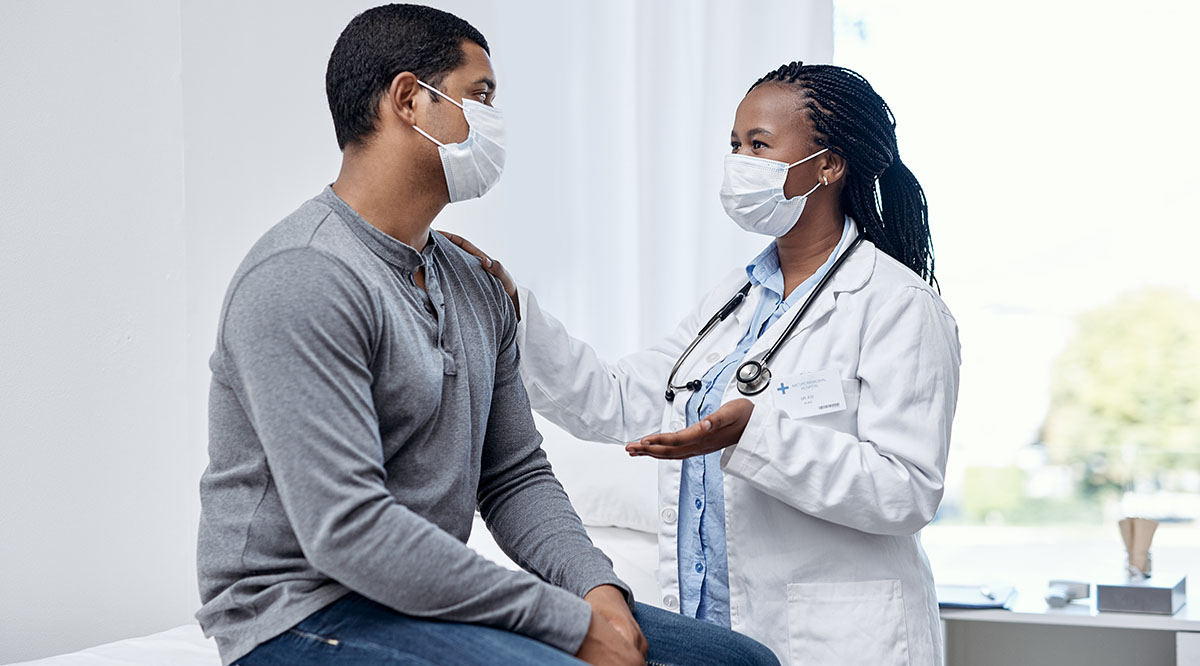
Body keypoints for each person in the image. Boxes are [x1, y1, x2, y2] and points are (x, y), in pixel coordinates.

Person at [194, 5, 779, 666]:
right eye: (481, 96)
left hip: (413, 600)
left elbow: (513, 474)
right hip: (300, 611)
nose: (494, 120)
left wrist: (595, 588)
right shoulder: (305, 275)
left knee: (737, 663)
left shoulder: (473, 282)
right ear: (409, 100)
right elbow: (348, 532)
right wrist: (563, 623)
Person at [447, 62, 962, 666]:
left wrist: (758, 435)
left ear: (829, 165)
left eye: (760, 146)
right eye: (736, 145)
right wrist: (515, 310)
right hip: (715, 634)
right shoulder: (733, 302)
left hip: (835, 641)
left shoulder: (898, 304)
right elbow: (619, 400)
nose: (740, 161)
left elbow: (907, 489)